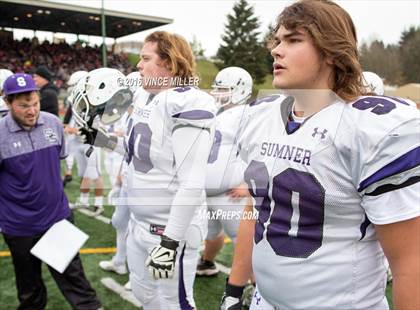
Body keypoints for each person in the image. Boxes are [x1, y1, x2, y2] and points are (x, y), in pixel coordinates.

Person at [223, 1, 420, 309]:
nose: (276, 50)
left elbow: (410, 261)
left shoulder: (371, 128)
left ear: (331, 50)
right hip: (265, 301)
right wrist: (234, 289)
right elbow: (256, 210)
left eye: (293, 40)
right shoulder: (261, 115)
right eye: (277, 40)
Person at [75, 31, 217, 309]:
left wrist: (170, 242)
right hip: (140, 223)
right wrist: (102, 140)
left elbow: (192, 183)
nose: (138, 65)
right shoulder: (144, 97)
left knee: (173, 302)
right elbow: (137, 152)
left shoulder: (186, 103)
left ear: (169, 62)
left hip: (169, 230)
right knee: (144, 295)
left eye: (145, 58)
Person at [0, 73, 102, 310]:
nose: (32, 111)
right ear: (7, 102)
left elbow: (53, 165)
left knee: (77, 284)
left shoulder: (53, 123)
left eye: (34, 103)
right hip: (19, 226)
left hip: (56, 219)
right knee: (30, 292)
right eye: (24, 105)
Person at [197, 66, 253, 277]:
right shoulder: (216, 112)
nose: (218, 93)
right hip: (208, 192)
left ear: (239, 90)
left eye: (224, 89)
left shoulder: (248, 116)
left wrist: (249, 184)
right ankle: (207, 263)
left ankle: (257, 290)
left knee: (244, 240)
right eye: (217, 88)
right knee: (211, 233)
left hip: (231, 194)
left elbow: (260, 152)